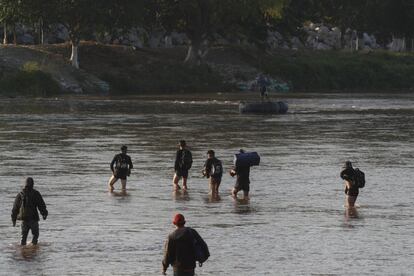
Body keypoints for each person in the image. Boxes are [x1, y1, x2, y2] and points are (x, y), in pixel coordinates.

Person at [11, 177, 48, 246]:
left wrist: (13, 220)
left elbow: (15, 208)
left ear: (25, 184)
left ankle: (23, 251)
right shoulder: (36, 193)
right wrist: (44, 214)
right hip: (33, 219)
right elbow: (41, 205)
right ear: (33, 184)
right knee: (35, 235)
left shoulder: (20, 194)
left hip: (24, 220)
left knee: (23, 237)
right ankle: (33, 249)